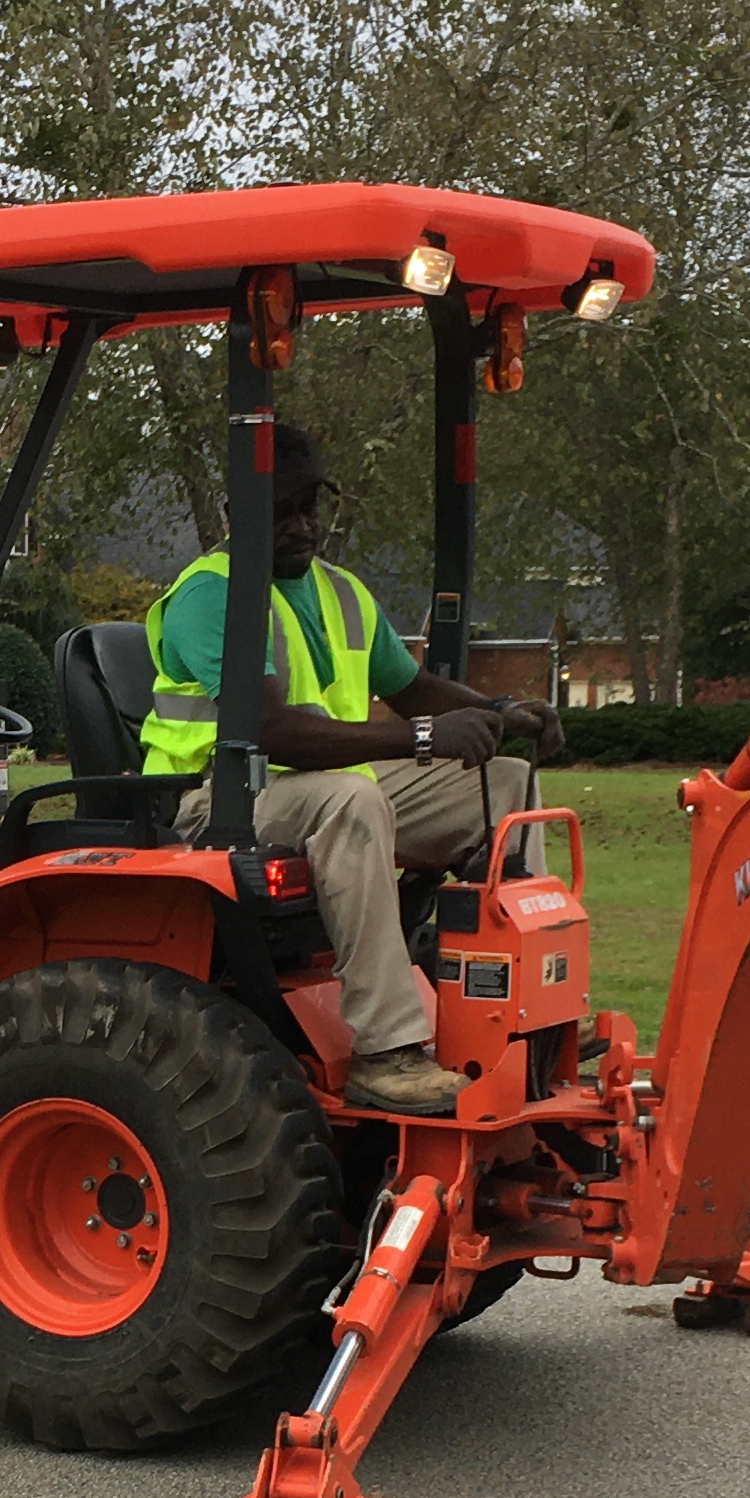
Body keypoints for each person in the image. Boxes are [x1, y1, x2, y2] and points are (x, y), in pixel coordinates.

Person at [136, 431, 560, 1117]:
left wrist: (500, 712)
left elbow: (411, 686)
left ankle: (514, 1011)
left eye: (310, 507)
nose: (303, 526)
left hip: (317, 787)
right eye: (283, 511)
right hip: (215, 801)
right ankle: (386, 1051)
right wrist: (425, 738)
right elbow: (272, 731)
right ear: (233, 513)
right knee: (349, 799)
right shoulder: (211, 598)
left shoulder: (339, 592)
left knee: (506, 785)